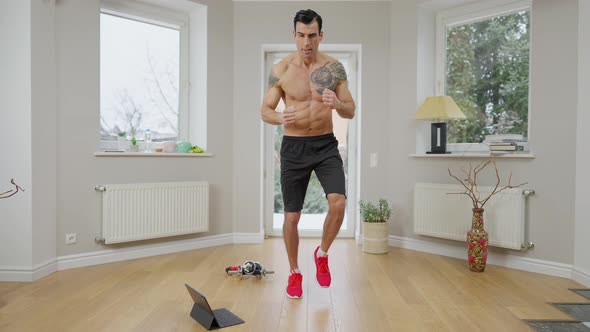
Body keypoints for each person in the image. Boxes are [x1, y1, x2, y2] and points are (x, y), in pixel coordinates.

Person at [260, 9, 356, 299]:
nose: (306, 42)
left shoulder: (334, 68)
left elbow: (351, 110)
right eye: (301, 35)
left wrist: (337, 102)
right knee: (291, 217)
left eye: (312, 35)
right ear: (294, 35)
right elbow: (264, 111)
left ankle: (322, 254)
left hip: (325, 145)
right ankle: (294, 272)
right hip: (294, 146)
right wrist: (281, 118)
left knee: (338, 204)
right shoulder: (281, 70)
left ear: (320, 36)